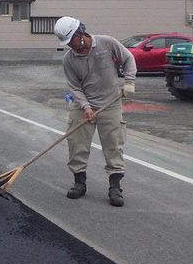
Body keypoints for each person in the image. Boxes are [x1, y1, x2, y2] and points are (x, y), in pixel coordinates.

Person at [54, 16, 136, 207]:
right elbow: (74, 87)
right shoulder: (69, 59)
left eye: (72, 41)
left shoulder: (107, 43)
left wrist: (129, 81)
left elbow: (128, 59)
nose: (71, 46)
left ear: (80, 33)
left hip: (110, 102)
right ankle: (79, 183)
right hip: (83, 104)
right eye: (67, 43)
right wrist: (86, 106)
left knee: (114, 144)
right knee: (76, 142)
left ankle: (115, 187)